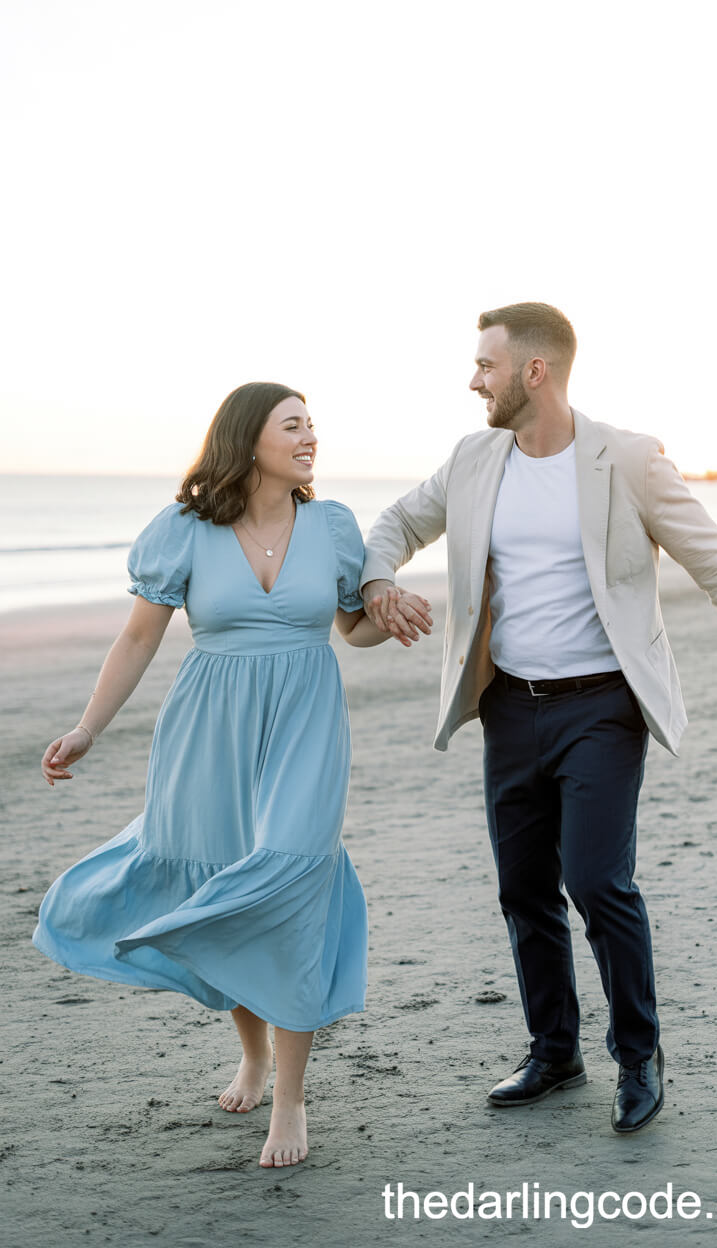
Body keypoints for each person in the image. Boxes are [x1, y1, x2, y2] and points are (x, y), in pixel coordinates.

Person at [360, 302, 717, 1134]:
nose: (474, 380)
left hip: (603, 707)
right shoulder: (473, 460)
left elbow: (716, 560)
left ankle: (638, 1056)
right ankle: (554, 1052)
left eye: (487, 365)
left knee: (599, 882)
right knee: (523, 888)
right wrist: (378, 580)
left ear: (534, 371)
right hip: (510, 705)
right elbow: (395, 525)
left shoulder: (627, 461)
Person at [34, 381, 430, 1168]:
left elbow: (350, 628)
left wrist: (387, 616)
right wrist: (87, 727)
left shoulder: (333, 526)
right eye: (293, 425)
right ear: (248, 440)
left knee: (291, 883)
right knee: (224, 886)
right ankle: (252, 1052)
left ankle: (291, 1100)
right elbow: (139, 640)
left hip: (306, 727)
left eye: (312, 425)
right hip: (208, 732)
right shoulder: (183, 530)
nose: (310, 437)